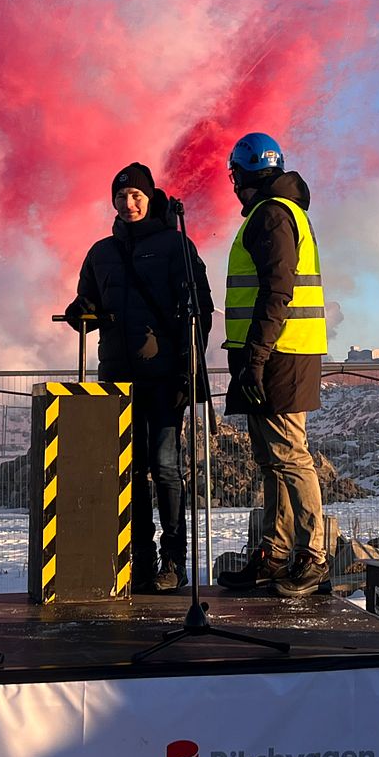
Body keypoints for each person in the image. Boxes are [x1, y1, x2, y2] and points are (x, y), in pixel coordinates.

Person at [65, 162, 214, 592]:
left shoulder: (176, 244)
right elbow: (88, 304)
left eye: (136, 196)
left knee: (165, 467)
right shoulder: (101, 253)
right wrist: (80, 312)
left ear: (150, 198)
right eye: (121, 197)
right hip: (117, 378)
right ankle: (140, 560)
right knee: (128, 470)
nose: (128, 203)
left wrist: (189, 367)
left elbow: (200, 309)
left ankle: (174, 561)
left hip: (165, 376)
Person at [214, 133, 331, 598]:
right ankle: (275, 552)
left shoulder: (272, 215)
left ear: (242, 175)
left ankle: (312, 555)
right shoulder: (281, 211)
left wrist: (257, 357)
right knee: (270, 460)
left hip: (279, 354)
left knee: (289, 455)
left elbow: (277, 291)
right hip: (274, 352)